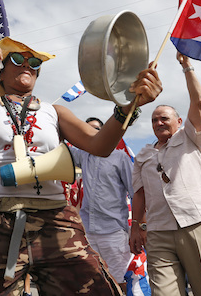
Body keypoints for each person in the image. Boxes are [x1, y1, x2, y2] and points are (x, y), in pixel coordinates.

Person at [0, 37, 162, 295]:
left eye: (33, 62)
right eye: (17, 59)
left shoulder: (54, 111)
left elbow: (100, 145)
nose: (27, 65)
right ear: (1, 68)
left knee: (98, 290)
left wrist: (129, 106)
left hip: (56, 218)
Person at [129, 52, 201, 296]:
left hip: (195, 224)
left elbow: (198, 101)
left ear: (179, 121)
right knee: (163, 292)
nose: (159, 123)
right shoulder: (143, 155)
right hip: (158, 231)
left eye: (164, 118)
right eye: (154, 120)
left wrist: (187, 66)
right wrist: (136, 227)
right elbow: (139, 193)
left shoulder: (190, 138)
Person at [70, 117, 134, 291]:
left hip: (113, 232)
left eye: (97, 130)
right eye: (87, 130)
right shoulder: (82, 155)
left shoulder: (120, 157)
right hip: (87, 233)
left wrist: (139, 226)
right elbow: (61, 145)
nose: (92, 134)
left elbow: (136, 192)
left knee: (120, 281)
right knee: (91, 281)